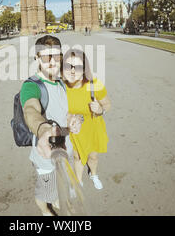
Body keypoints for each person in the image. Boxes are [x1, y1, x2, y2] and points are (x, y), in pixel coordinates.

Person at [20, 35, 82, 215]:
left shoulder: (61, 83)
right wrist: (44, 130)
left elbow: (64, 110)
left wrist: (74, 118)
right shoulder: (31, 86)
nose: (52, 62)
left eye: (56, 56)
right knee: (49, 196)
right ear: (37, 58)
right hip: (46, 157)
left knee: (60, 194)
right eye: (46, 57)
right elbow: (30, 110)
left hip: (66, 151)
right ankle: (46, 211)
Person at [62, 49, 111, 190]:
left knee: (93, 157)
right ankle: (78, 180)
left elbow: (108, 104)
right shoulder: (61, 86)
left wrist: (100, 110)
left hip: (93, 128)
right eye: (68, 66)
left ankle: (93, 174)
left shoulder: (94, 84)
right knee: (77, 157)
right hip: (74, 129)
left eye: (77, 67)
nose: (72, 71)